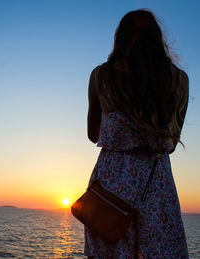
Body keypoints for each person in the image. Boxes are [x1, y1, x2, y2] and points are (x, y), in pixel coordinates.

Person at [85, 9, 189, 258]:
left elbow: (92, 134)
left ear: (120, 38)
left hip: (110, 186)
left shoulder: (101, 76)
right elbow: (172, 142)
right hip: (156, 185)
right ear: (156, 39)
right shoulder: (178, 80)